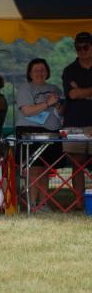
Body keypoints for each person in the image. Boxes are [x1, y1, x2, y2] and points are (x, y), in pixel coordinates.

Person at [16, 58, 64, 212]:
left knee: (45, 168)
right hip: (30, 131)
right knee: (33, 168)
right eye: (36, 70)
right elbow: (27, 111)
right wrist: (47, 104)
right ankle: (32, 204)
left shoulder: (55, 88)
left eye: (42, 70)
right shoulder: (25, 88)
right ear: (30, 73)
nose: (39, 73)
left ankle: (43, 203)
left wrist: (57, 105)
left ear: (47, 72)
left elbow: (63, 112)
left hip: (51, 132)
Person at [62, 32, 92, 210]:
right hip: (74, 123)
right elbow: (72, 94)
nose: (82, 50)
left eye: (86, 47)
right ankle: (79, 203)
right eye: (78, 48)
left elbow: (77, 93)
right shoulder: (69, 70)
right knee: (77, 165)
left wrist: (81, 90)